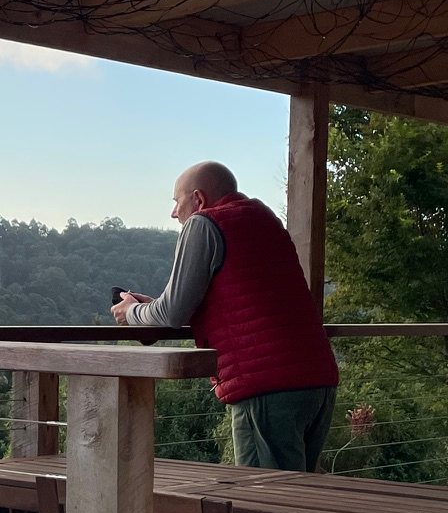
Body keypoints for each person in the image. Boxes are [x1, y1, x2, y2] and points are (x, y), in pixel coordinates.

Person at [111, 161, 338, 471]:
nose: (174, 213)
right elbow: (242, 301)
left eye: (176, 201)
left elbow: (170, 314)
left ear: (198, 199)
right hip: (317, 380)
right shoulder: (262, 218)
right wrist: (156, 306)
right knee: (299, 495)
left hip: (267, 387)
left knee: (263, 501)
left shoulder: (203, 224)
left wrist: (131, 312)